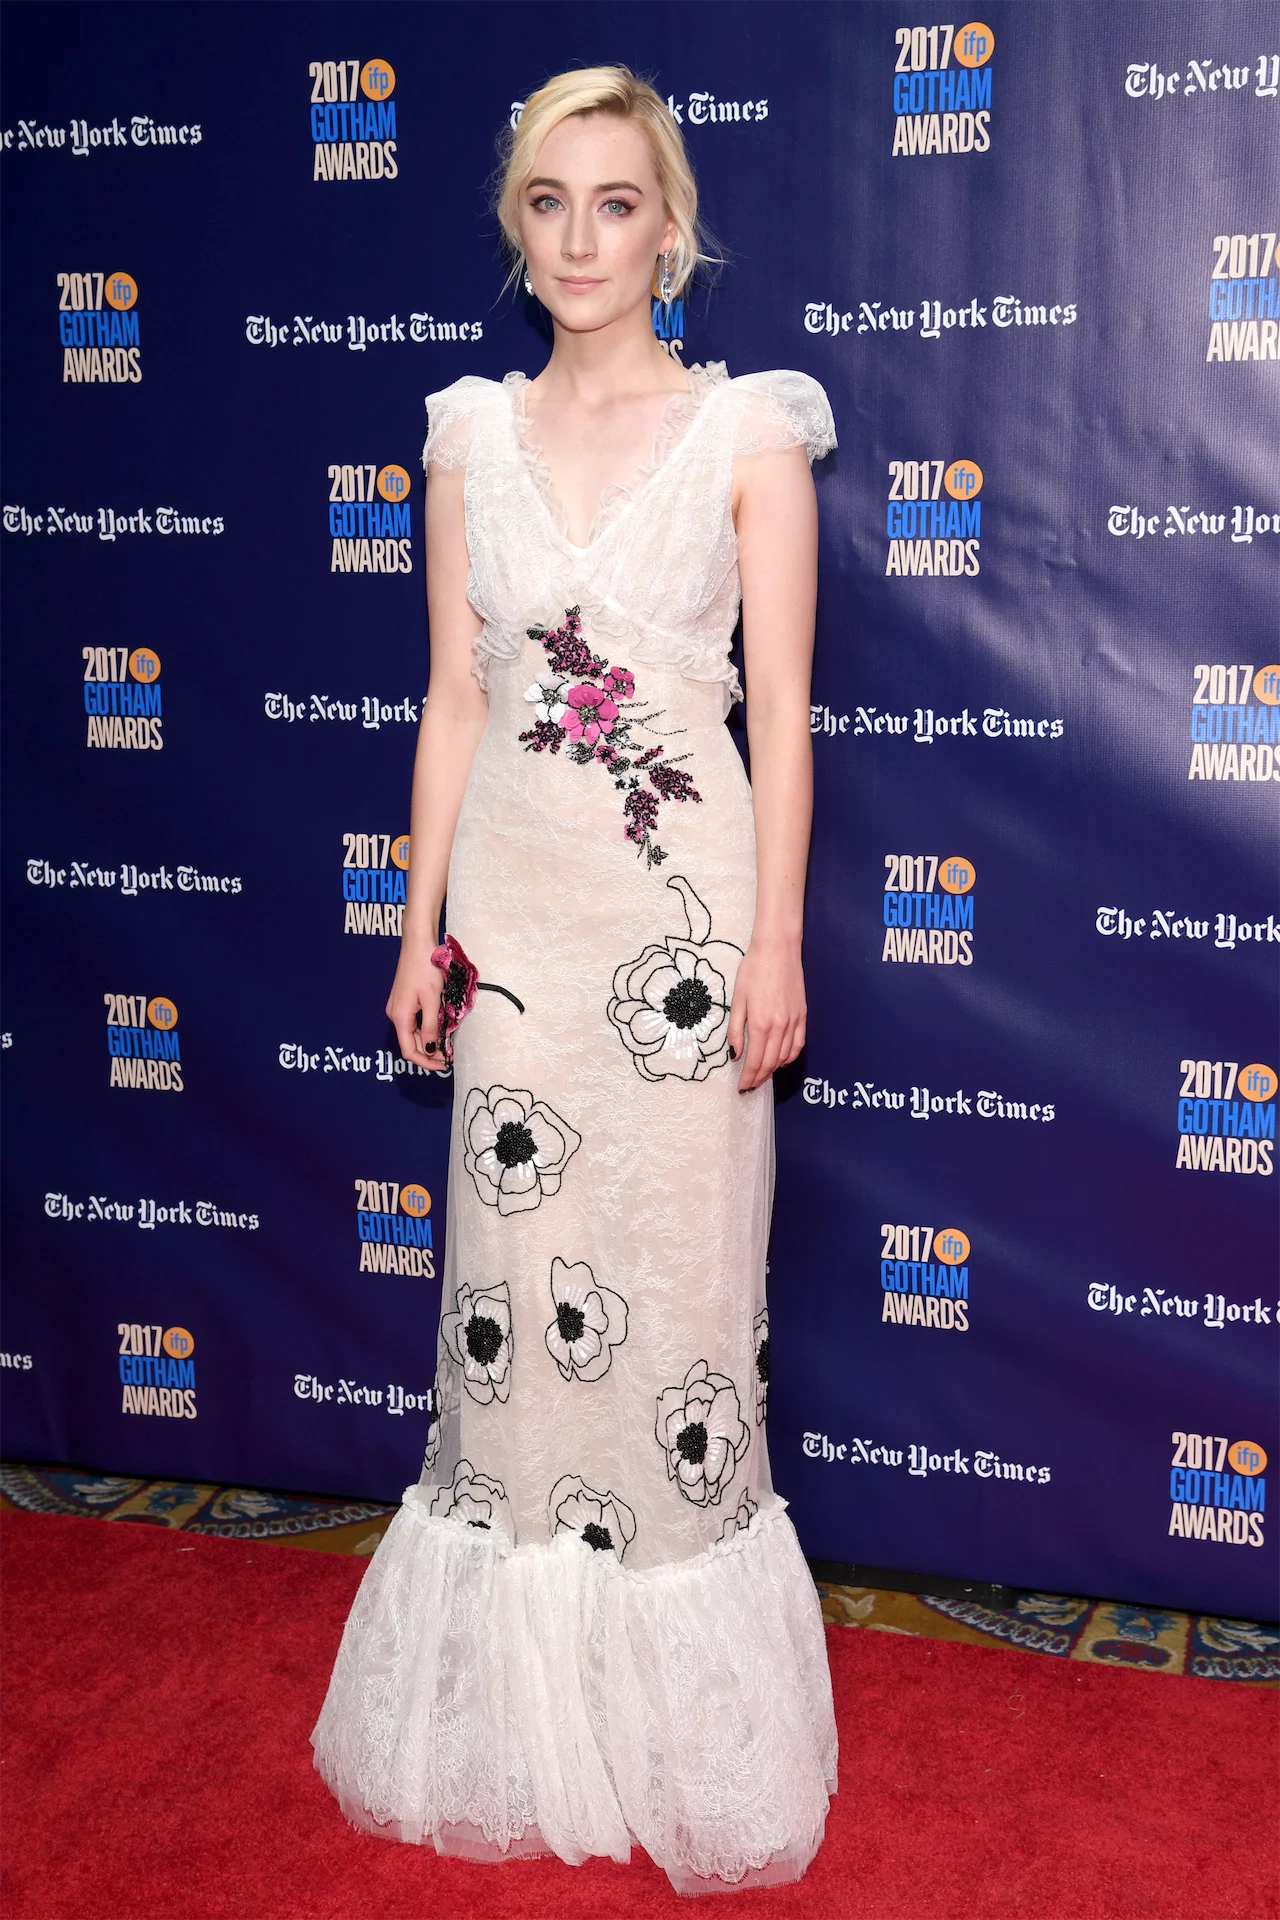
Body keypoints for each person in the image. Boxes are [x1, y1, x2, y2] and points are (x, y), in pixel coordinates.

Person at [312, 63, 837, 1894]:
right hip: (519, 933)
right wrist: (417, 927)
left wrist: (774, 941)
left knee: (677, 1306)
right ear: (515, 226)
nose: (581, 237)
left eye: (616, 203)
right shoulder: (465, 437)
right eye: (548, 202)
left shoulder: (750, 432)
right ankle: (526, 1731)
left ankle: (678, 1743)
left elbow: (783, 717)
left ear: (668, 229)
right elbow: (454, 699)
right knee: (515, 1310)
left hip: (684, 933)